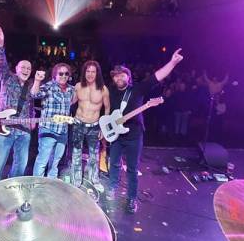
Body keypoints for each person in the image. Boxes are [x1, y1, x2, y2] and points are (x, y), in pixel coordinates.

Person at [106, 49, 184, 213]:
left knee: (132, 169)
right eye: (116, 76)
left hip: (134, 136)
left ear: (128, 77)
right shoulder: (110, 91)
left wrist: (172, 63)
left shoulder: (137, 89)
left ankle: (131, 199)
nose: (119, 78)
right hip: (116, 135)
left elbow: (157, 76)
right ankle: (111, 188)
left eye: (122, 75)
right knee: (113, 164)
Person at [0, 25, 34, 185]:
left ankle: (12, 194)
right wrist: (0, 45)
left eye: (29, 68)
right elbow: (1, 63)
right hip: (2, 128)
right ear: (16, 69)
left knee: (20, 168)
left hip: (23, 131)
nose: (26, 70)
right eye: (23, 67)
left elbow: (31, 104)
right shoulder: (7, 77)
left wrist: (32, 118)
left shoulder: (31, 85)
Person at [70, 61, 109, 192]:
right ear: (84, 72)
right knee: (76, 153)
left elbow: (107, 109)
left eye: (93, 71)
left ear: (97, 73)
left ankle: (95, 180)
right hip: (78, 124)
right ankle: (76, 181)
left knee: (94, 155)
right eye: (88, 71)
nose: (90, 74)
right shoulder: (78, 86)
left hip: (94, 126)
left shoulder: (103, 89)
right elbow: (70, 102)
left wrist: (104, 128)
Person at [31, 63, 75, 178]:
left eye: (66, 74)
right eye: (61, 73)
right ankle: (37, 184)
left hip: (63, 131)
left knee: (55, 162)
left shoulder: (71, 89)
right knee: (42, 161)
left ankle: (52, 183)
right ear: (55, 75)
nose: (64, 76)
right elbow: (34, 94)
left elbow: (73, 102)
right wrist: (37, 80)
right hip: (48, 129)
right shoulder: (49, 86)